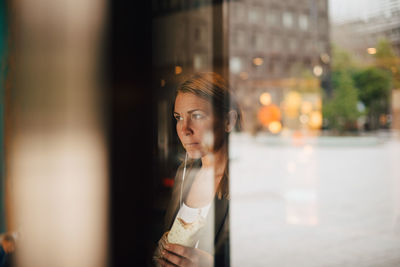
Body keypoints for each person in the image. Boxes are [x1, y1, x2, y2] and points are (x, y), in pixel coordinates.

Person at [154, 72, 241, 267]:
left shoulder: (245, 183)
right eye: (178, 118)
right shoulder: (184, 173)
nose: (184, 129)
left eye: (197, 116)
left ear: (229, 121)